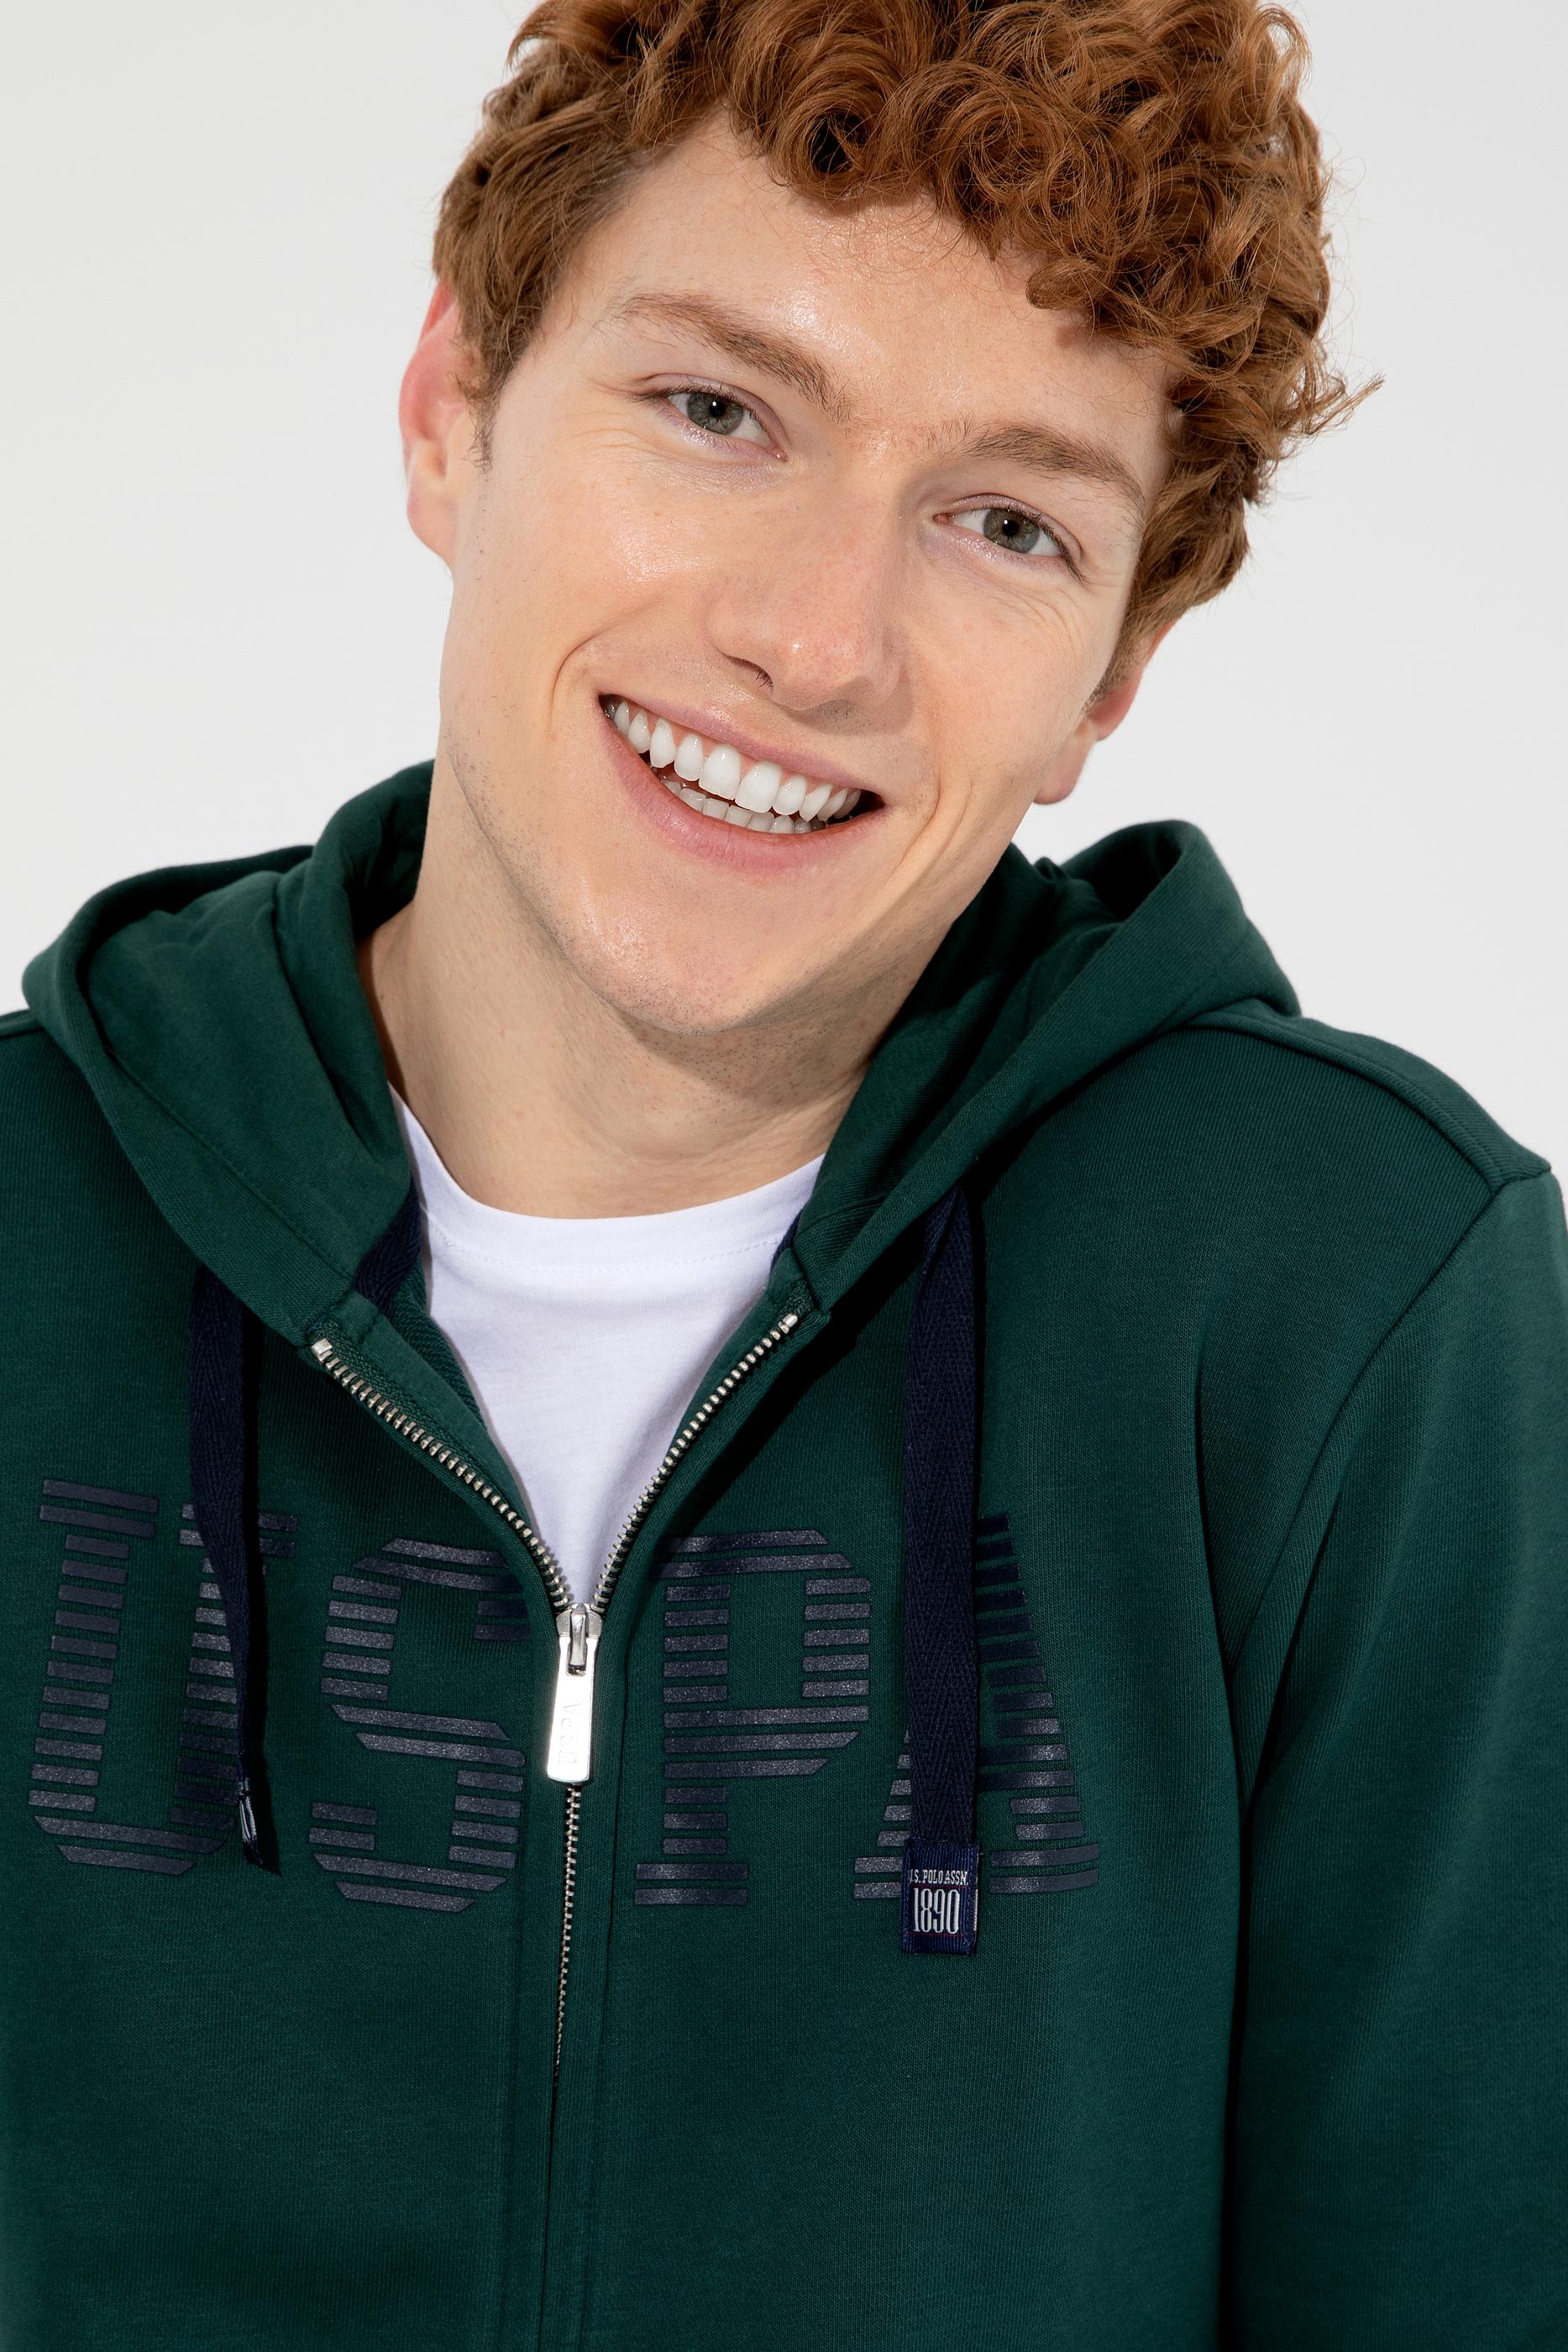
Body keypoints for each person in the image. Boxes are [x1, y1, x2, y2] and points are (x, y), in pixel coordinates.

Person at [2, 0, 1563, 2343]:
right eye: (718, 411)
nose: (815, 642)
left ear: (1109, 679)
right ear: (450, 407)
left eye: (1006, 523)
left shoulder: (1344, 1305)